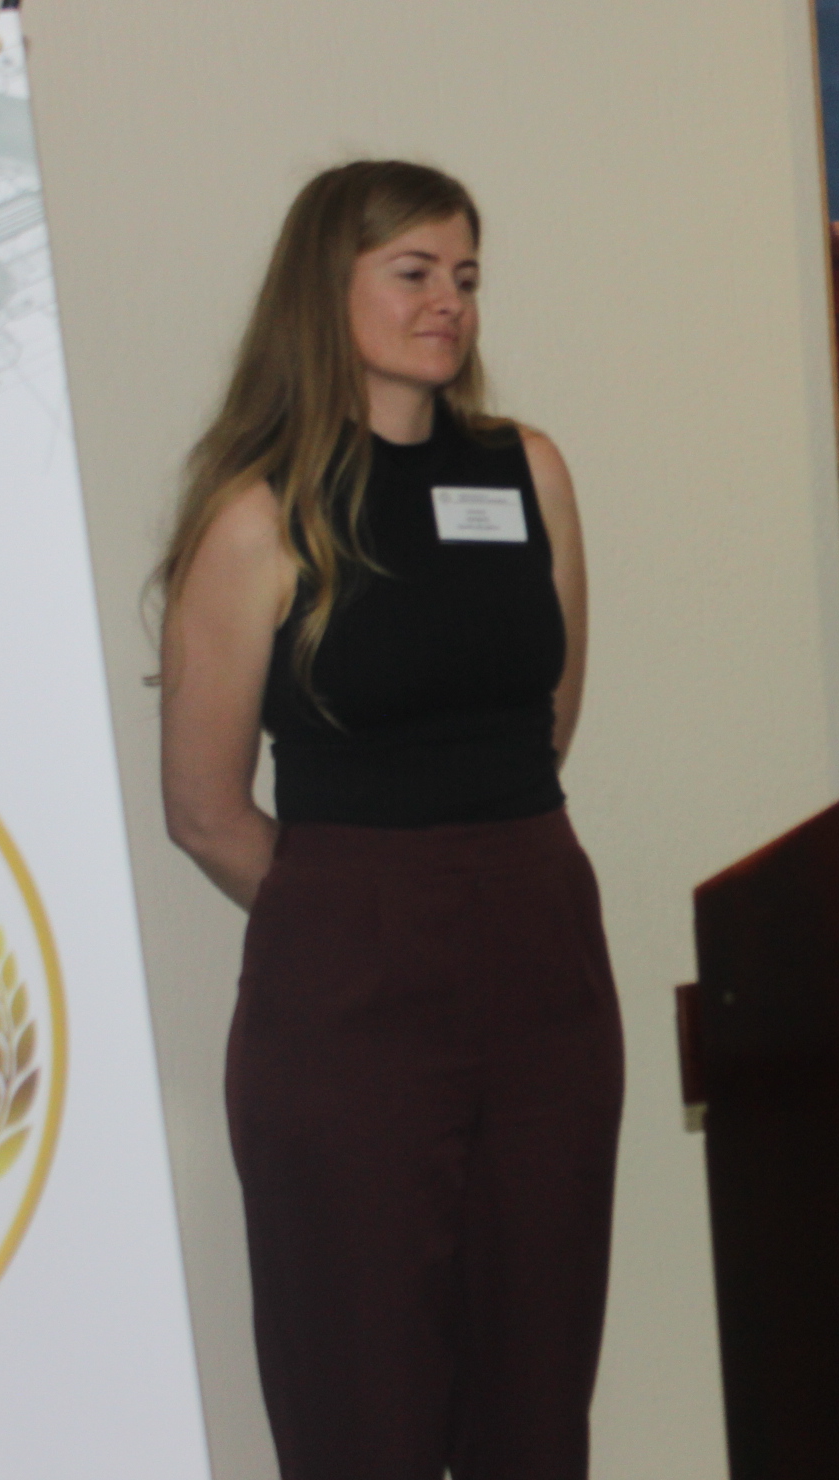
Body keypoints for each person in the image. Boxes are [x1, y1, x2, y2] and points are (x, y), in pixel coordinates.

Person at [154, 161, 620, 1480]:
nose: (447, 302)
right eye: (413, 273)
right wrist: (350, 904)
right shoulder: (258, 511)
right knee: (361, 1390)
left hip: (542, 953)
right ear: (327, 289)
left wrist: (469, 877)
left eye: (464, 276)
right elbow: (202, 809)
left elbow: (547, 717)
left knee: (537, 1385)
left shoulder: (527, 470)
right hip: (347, 988)